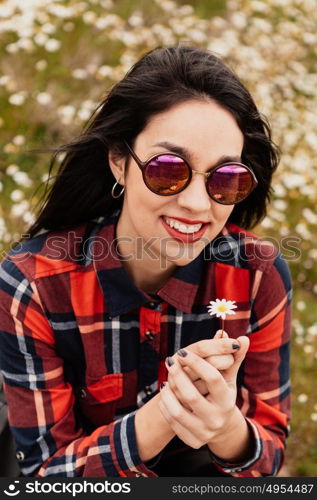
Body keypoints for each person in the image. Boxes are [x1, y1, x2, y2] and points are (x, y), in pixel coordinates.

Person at [0, 46, 291, 478]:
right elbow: (45, 474)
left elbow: (267, 454)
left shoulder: (257, 275)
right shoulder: (33, 283)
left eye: (226, 178)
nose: (196, 204)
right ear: (119, 162)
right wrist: (165, 415)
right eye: (168, 169)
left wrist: (226, 426)